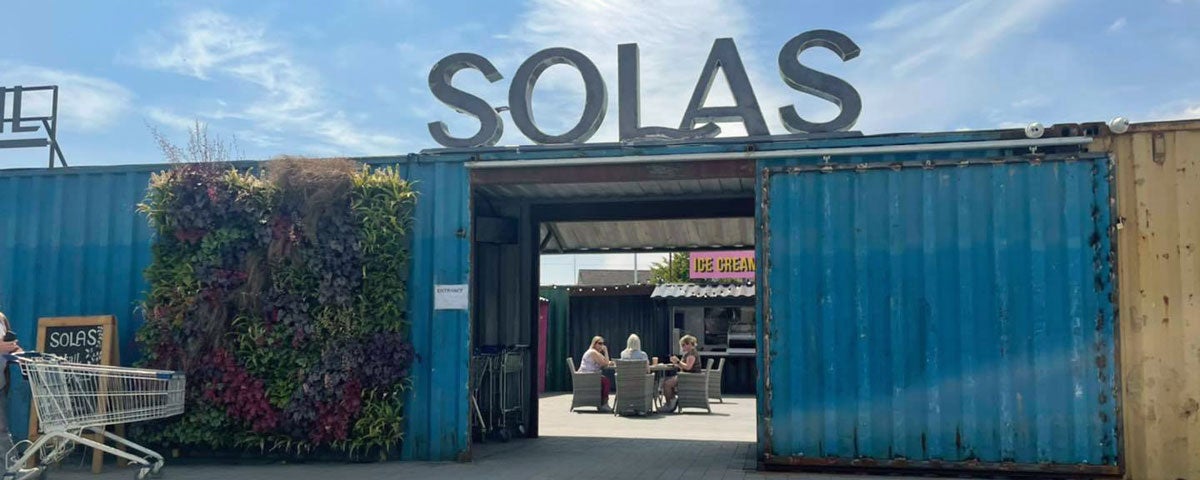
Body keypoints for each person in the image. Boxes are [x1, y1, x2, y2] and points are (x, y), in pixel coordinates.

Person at [0, 311, 23, 468]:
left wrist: (18, 352)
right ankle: (13, 470)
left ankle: (12, 470)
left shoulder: (1, 319)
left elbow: (8, 347)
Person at [660, 334, 701, 413]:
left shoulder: (691, 353)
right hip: (687, 376)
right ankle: (672, 401)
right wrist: (676, 363)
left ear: (689, 344)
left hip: (689, 377)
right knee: (665, 380)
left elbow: (688, 367)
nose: (682, 347)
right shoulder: (688, 353)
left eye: (683, 345)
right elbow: (683, 366)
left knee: (666, 384)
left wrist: (678, 361)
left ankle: (669, 404)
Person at [576, 336, 614, 412]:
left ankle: (602, 404)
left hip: (590, 375)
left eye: (603, 344)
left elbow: (606, 361)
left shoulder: (596, 352)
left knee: (604, 380)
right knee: (606, 381)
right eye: (599, 343)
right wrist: (606, 351)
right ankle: (604, 404)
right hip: (587, 376)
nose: (602, 346)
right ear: (594, 343)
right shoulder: (593, 352)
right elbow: (605, 363)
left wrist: (610, 362)